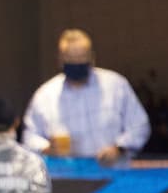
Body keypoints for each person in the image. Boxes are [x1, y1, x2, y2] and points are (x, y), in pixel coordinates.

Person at [21, 28, 150, 162]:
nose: (76, 63)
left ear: (92, 58)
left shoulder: (116, 85)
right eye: (70, 59)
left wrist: (119, 148)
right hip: (65, 177)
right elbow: (29, 136)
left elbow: (140, 125)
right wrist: (46, 148)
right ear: (60, 60)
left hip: (112, 173)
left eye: (81, 58)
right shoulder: (45, 95)